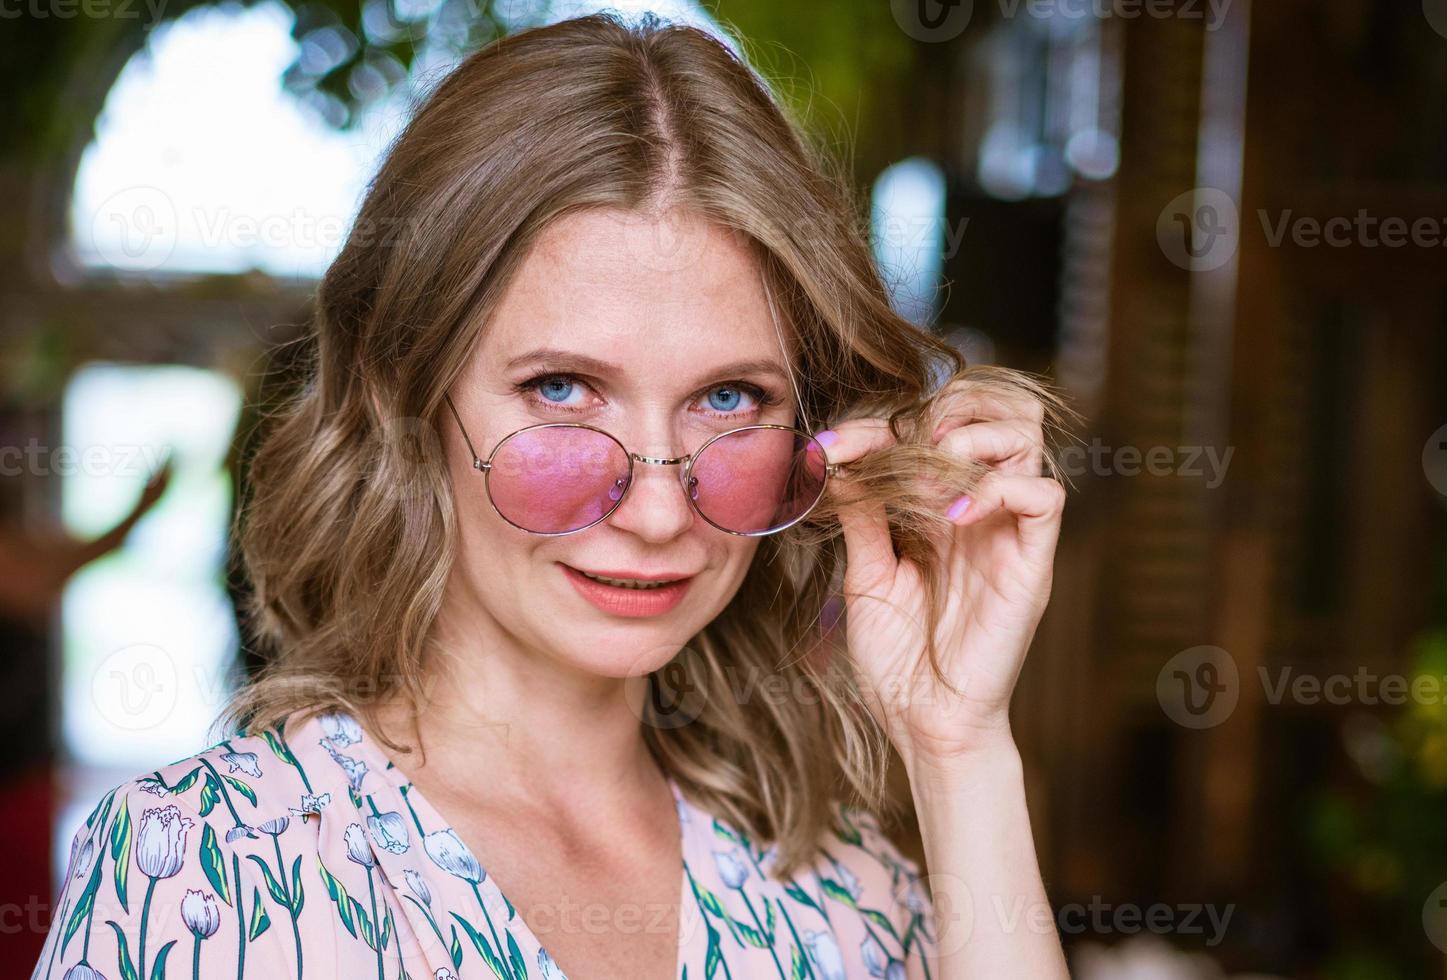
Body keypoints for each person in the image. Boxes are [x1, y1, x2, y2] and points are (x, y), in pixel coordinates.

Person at [32, 12, 1072, 979]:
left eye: (728, 396)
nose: (659, 512)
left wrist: (959, 746)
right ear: (410, 393)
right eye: (563, 389)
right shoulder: (207, 875)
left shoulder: (844, 895)